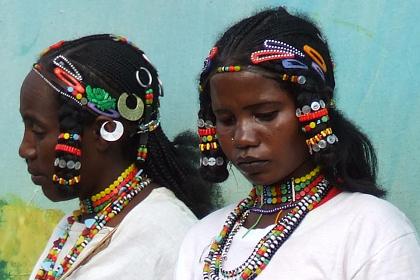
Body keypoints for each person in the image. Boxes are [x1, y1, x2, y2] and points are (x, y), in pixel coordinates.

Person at [175, 7, 420, 280]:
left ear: (311, 109)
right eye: (226, 119)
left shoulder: (372, 231)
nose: (243, 137)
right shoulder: (202, 236)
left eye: (265, 115)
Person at [19, 34, 216, 279]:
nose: (24, 149)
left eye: (38, 131)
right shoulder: (79, 223)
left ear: (105, 132)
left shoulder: (164, 233)